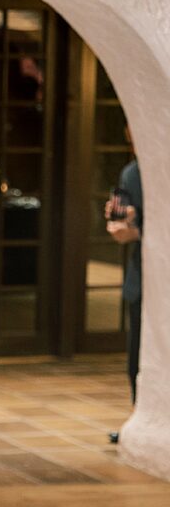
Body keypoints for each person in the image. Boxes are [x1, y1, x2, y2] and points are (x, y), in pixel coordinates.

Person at [104, 126, 143, 444]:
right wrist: (122, 223)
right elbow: (122, 221)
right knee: (136, 358)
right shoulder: (131, 173)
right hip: (141, 278)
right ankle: (141, 419)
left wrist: (140, 228)